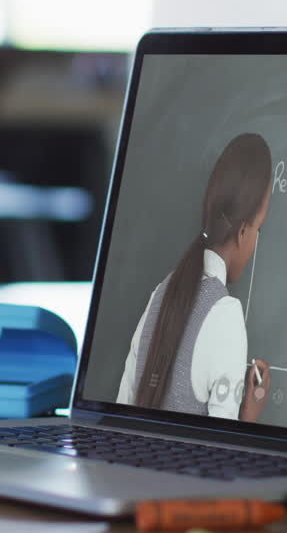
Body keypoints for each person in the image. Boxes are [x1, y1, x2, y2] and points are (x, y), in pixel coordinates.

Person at [115, 133, 274, 421]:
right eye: (257, 230)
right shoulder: (225, 313)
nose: (255, 242)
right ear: (242, 232)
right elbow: (219, 454)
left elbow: (122, 409)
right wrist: (250, 414)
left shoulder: (160, 294)